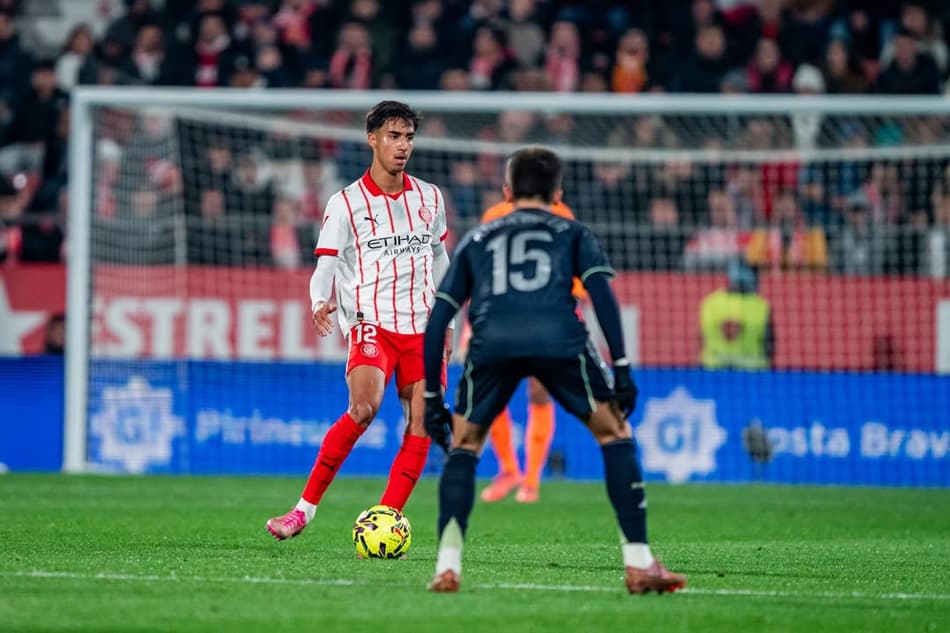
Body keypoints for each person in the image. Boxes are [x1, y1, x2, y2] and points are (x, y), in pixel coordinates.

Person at [421, 147, 686, 594]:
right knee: (615, 433)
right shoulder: (573, 232)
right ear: (557, 193)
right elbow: (603, 298)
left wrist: (432, 396)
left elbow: (439, 318)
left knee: (463, 445)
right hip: (558, 337)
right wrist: (622, 367)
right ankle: (639, 563)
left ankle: (447, 566)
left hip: (492, 338)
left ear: (507, 191)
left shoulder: (478, 238)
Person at [266, 101, 453, 540]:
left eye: (408, 137)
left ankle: (387, 518)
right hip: (372, 324)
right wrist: (319, 301)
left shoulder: (430, 197)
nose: (402, 146)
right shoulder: (346, 202)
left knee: (422, 421)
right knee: (364, 408)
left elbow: (440, 256)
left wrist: (446, 319)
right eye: (394, 136)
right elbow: (326, 264)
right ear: (373, 139)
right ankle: (303, 511)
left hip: (423, 328)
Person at [475, 198, 582, 504]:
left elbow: (572, 269)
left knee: (540, 390)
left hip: (549, 313)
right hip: (503, 313)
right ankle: (509, 470)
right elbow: (483, 269)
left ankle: (531, 480)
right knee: (493, 390)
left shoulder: (561, 214)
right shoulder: (495, 215)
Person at [699, 258, 774, 370]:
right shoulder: (760, 305)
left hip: (713, 369)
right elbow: (770, 347)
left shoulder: (710, 302)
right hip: (752, 371)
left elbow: (700, 339)